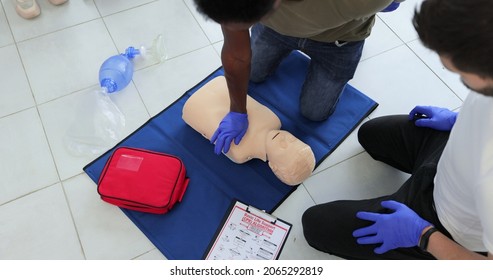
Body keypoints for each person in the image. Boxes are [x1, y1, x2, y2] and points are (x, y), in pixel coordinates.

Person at [301, 0, 493, 260]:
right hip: (448, 157)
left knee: (315, 225)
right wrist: (459, 120)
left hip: (446, 227)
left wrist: (424, 236)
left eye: (462, 74)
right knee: (371, 134)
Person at [192, 0, 404, 155]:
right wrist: (237, 110)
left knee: (314, 112)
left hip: (340, 39)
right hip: (276, 29)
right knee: (252, 73)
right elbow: (237, 55)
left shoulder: (357, 3)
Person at [182, 76, 315, 186]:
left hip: (193, 104)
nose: (284, 139)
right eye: (293, 140)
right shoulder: (274, 120)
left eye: (283, 147)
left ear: (273, 166)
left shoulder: (240, 153)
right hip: (223, 84)